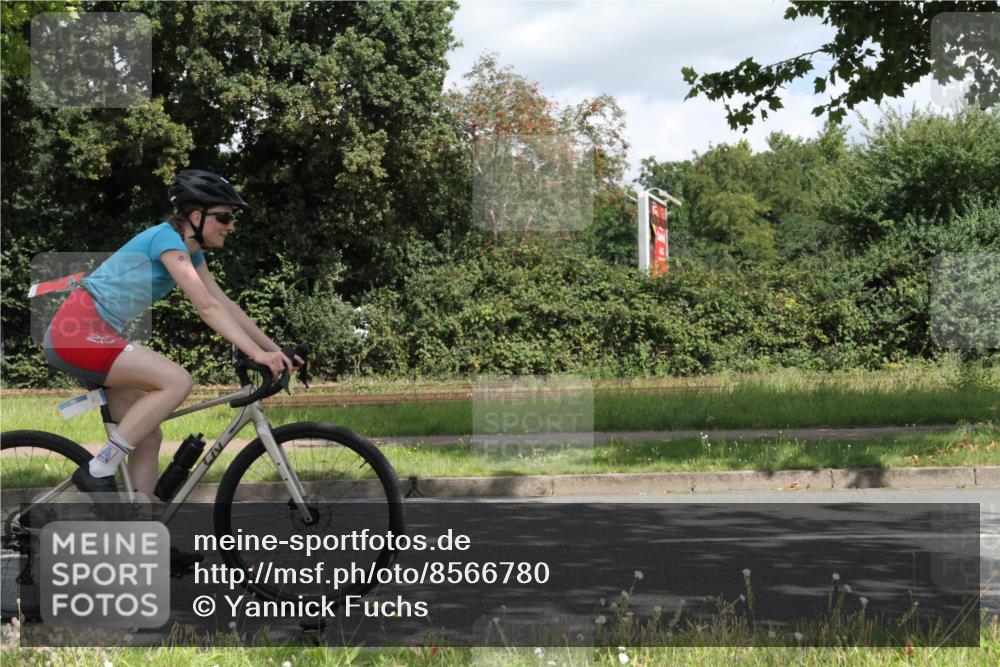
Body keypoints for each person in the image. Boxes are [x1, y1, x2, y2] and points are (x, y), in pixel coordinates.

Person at [43, 169, 299, 508]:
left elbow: (225, 305)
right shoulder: (167, 239)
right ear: (197, 216)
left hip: (95, 336)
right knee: (177, 381)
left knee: (148, 437)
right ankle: (99, 467)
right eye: (225, 216)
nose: (231, 225)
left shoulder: (191, 254)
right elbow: (206, 307)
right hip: (76, 333)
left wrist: (273, 350)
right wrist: (257, 353)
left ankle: (144, 536)